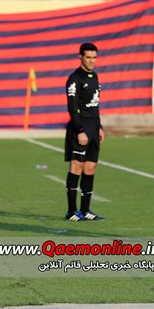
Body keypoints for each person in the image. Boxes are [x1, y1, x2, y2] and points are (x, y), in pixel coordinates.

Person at [64, 43, 106, 221]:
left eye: (94, 57)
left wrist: (99, 126)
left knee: (90, 168)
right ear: (80, 57)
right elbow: (72, 108)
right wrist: (80, 130)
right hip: (79, 128)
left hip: (93, 128)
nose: (91, 61)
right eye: (88, 57)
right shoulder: (74, 78)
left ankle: (86, 210)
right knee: (76, 167)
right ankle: (71, 211)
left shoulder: (94, 76)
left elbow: (95, 106)